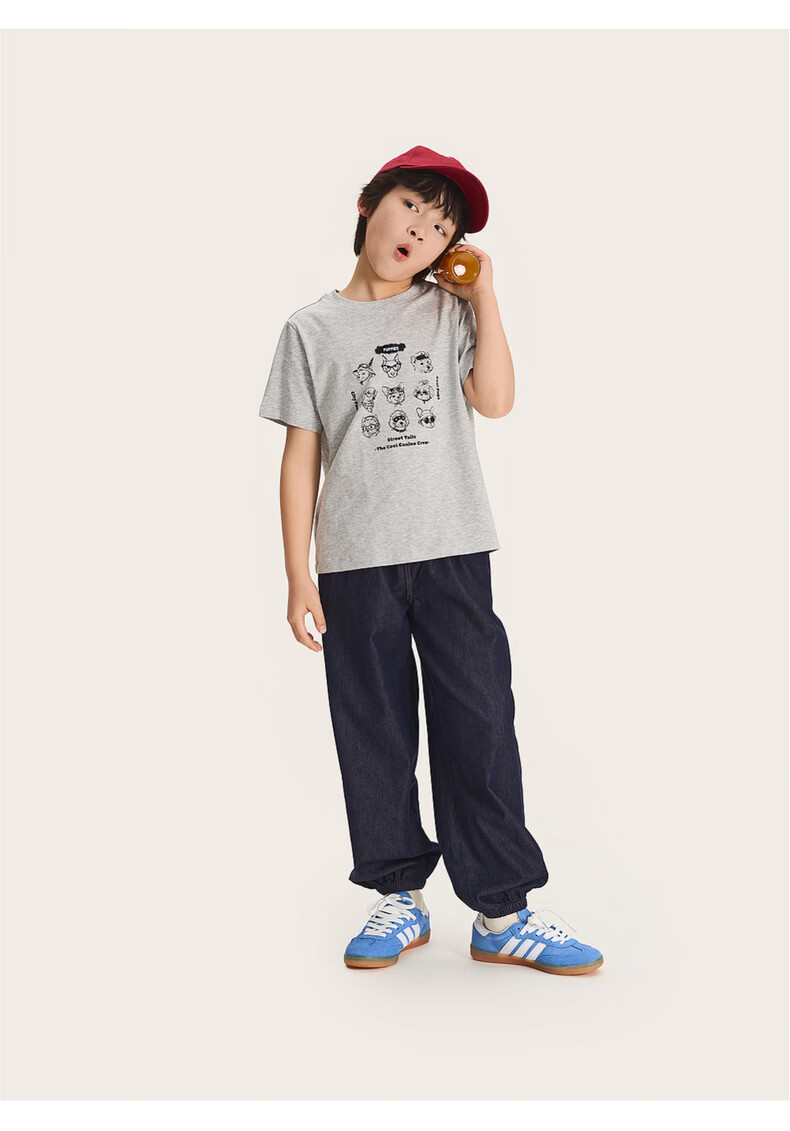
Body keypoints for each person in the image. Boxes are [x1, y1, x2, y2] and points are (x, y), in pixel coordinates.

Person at [258, 145, 603, 976]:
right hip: (355, 563)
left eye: (443, 224)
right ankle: (398, 894)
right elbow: (302, 456)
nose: (424, 228)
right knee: (372, 725)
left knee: (478, 721)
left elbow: (496, 400)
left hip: (453, 551)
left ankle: (501, 910)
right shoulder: (310, 328)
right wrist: (299, 572)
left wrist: (484, 296)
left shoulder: (447, 311)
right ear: (369, 205)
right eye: (413, 205)